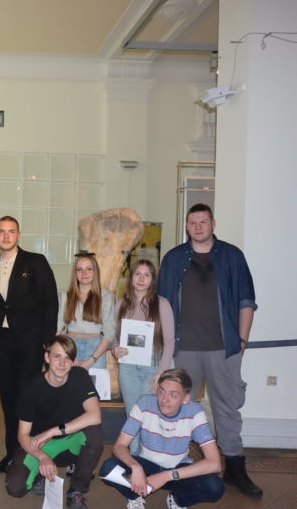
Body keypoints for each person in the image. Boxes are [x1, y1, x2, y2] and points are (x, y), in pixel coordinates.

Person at [157, 203, 261, 498]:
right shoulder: (174, 258)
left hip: (223, 348)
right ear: (187, 226)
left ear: (213, 223)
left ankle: (235, 469)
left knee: (227, 408)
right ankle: (176, 465)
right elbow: (162, 304)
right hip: (184, 349)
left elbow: (246, 301)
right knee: (179, 409)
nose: (198, 227)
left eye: (203, 222)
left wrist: (242, 341)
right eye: (193, 222)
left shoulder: (232, 256)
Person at [0, 216, 58, 473]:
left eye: (11, 231)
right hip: (1, 344)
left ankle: (31, 457)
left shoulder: (35, 262)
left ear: (19, 235)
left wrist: (47, 343)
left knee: (27, 401)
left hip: (30, 344)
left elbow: (50, 302)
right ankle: (11, 456)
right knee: (8, 401)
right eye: (1, 231)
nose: (6, 236)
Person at [99, 369, 225, 509]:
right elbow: (119, 446)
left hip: (176, 469)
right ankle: (135, 496)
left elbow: (215, 464)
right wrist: (136, 467)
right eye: (161, 392)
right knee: (108, 468)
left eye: (173, 395)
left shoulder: (195, 412)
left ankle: (178, 499)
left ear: (186, 398)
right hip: (145, 464)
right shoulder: (144, 403)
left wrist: (167, 475)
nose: (164, 400)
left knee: (215, 487)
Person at [6, 335, 104, 509]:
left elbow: (95, 416)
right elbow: (22, 435)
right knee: (16, 488)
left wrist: (53, 431)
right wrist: (42, 457)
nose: (62, 363)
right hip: (39, 443)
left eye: (67, 358)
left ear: (73, 361)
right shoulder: (31, 387)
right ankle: (40, 474)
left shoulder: (80, 376)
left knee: (95, 434)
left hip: (69, 441)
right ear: (47, 357)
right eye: (57, 356)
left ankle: (76, 491)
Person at [112, 259, 174, 450]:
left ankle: (148, 458)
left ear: (152, 279)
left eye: (146, 275)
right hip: (128, 368)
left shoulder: (162, 304)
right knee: (132, 415)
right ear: (131, 278)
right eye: (138, 274)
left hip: (153, 367)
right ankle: (134, 459)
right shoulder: (121, 304)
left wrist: (161, 372)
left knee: (148, 415)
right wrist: (115, 349)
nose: (141, 278)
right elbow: (114, 338)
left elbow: (170, 342)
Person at [57, 253, 115, 370]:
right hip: (71, 348)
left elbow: (109, 331)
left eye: (89, 269)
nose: (84, 273)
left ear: (95, 272)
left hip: (96, 349)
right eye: (79, 269)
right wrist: (67, 354)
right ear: (75, 273)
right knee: (71, 382)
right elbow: (58, 327)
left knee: (92, 383)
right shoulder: (65, 296)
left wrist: (92, 359)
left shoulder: (106, 296)